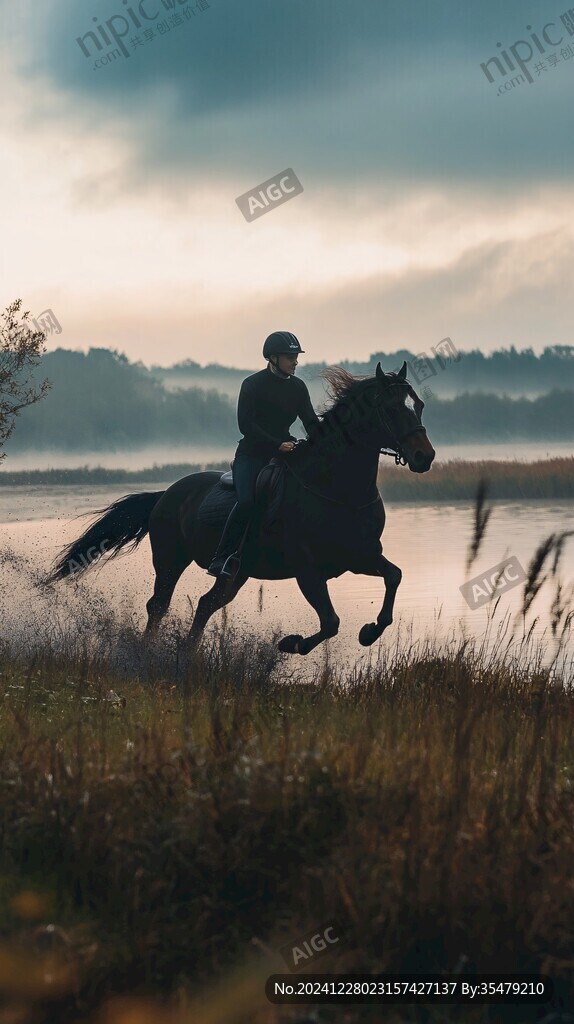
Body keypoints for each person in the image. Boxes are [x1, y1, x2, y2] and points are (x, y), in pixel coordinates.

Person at [207, 331, 320, 578]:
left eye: (296, 356)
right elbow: (246, 426)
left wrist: (326, 437)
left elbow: (310, 421)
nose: (295, 361)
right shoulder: (252, 385)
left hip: (285, 454)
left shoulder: (299, 388)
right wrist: (276, 445)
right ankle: (221, 557)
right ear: (272, 357)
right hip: (252, 455)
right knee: (247, 501)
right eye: (290, 357)